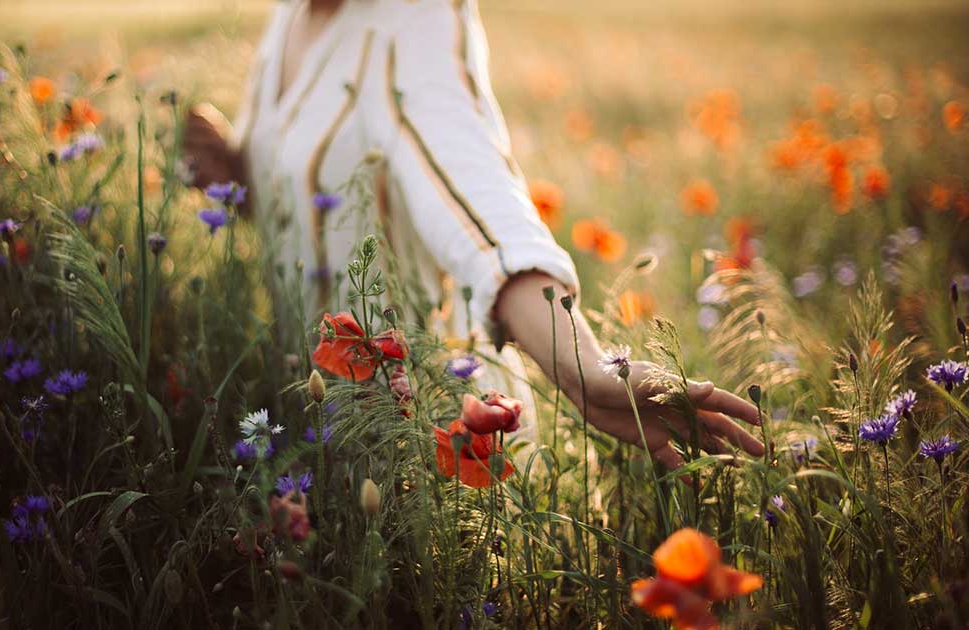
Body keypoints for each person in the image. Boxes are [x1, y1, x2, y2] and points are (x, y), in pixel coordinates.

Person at [183, 0, 765, 472]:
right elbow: (318, 194)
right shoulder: (290, 14)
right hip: (314, 432)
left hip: (440, 445)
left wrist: (579, 366)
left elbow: (480, 206)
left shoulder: (418, 16)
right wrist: (237, 175)